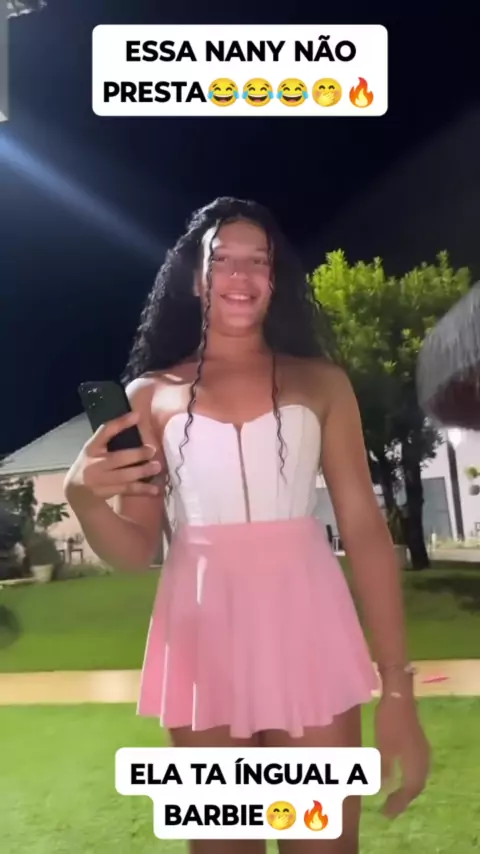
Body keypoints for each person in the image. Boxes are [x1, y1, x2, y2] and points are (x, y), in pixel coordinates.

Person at [64, 197, 430, 853]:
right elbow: (134, 550)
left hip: (310, 634)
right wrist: (84, 499)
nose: (240, 274)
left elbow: (367, 535)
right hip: (200, 641)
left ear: (274, 277)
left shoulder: (322, 383)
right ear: (197, 279)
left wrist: (398, 690)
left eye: (257, 260)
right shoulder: (149, 395)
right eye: (223, 259)